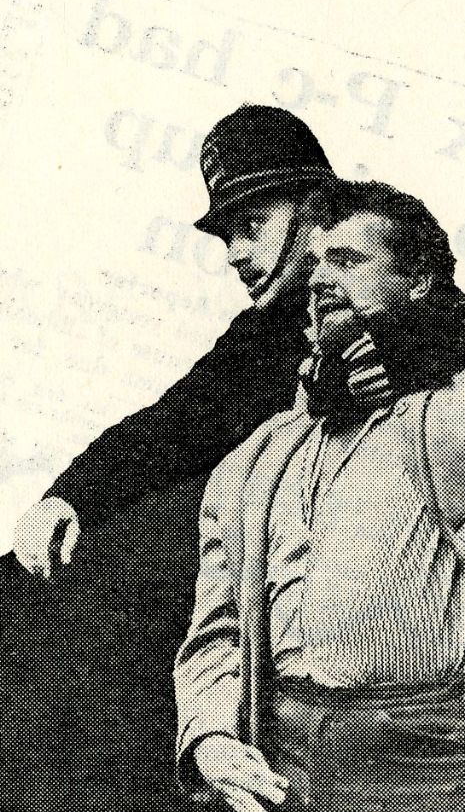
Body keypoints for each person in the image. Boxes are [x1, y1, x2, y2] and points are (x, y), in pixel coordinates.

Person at [175, 0, 465, 812]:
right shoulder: (250, 464)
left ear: (420, 280)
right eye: (312, 264)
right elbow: (216, 639)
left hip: (440, 766)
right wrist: (208, 737)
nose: (319, 277)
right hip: (286, 770)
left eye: (348, 260)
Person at [0, 104, 337, 810]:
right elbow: (172, 424)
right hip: (211, 571)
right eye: (228, 233)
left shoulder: (397, 316)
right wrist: (69, 496)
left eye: (253, 224)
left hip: (290, 602)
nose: (236, 253)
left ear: (318, 212)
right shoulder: (266, 330)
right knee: (24, 588)